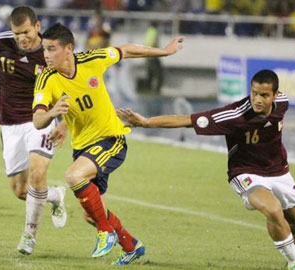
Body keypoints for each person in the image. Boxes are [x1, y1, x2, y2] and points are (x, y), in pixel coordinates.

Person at [117, 70, 295, 270]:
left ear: (276, 95)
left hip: (279, 170)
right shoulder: (234, 115)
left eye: (264, 95)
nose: (258, 99)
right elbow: (186, 120)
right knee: (272, 210)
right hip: (246, 172)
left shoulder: (283, 103)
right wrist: (146, 122)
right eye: (254, 93)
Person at [32, 23, 184, 265]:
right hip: (83, 147)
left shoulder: (92, 60)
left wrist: (164, 52)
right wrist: (53, 115)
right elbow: (37, 119)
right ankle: (132, 246)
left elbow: (126, 50)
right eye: (44, 50)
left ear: (69, 48)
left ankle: (106, 232)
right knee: (90, 214)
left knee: (72, 176)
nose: (46, 55)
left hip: (111, 139)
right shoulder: (46, 79)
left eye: (51, 49)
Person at [0, 6, 67, 255]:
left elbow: (70, 86)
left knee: (38, 174)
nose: (21, 38)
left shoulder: (50, 53)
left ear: (37, 27)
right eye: (17, 33)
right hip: (10, 123)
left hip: (41, 120)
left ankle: (29, 236)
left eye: (26, 32)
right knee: (21, 191)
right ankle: (56, 196)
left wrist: (64, 123)